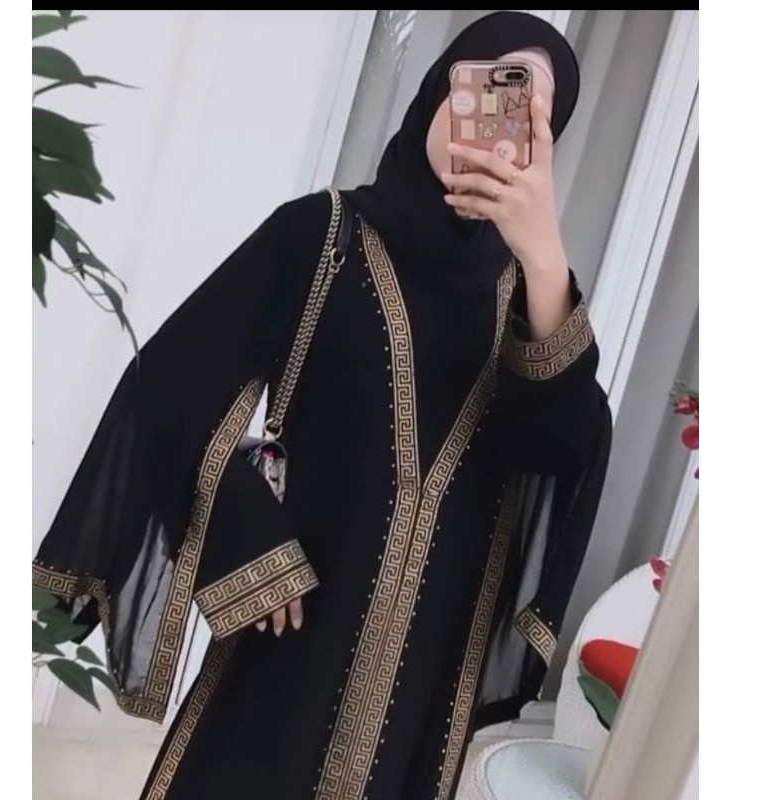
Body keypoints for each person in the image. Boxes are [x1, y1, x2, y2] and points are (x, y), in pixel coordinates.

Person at [32, 11, 611, 800]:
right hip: (295, 633)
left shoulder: (530, 301)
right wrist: (244, 530)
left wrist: (545, 259)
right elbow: (166, 388)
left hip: (425, 678)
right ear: (438, 91)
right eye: (485, 89)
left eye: (531, 117)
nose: (496, 127)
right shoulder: (324, 235)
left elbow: (565, 447)